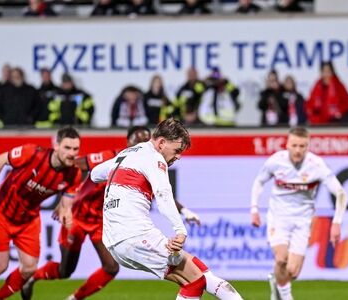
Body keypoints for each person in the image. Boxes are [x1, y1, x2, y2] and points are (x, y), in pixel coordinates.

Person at [21, 126, 202, 300]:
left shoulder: (147, 163)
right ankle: (33, 277)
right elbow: (76, 164)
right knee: (65, 271)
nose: (139, 142)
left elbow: (161, 193)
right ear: (127, 141)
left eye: (143, 139)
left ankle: (74, 298)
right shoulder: (112, 157)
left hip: (100, 220)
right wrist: (66, 197)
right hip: (76, 216)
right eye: (135, 140)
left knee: (111, 267)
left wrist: (184, 211)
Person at [90, 119, 244, 299]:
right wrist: (180, 230)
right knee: (195, 281)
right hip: (134, 235)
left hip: (114, 241)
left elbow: (94, 174)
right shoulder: (154, 158)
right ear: (161, 142)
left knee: (202, 274)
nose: (178, 156)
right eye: (177, 150)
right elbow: (163, 195)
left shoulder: (128, 154)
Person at [0, 128, 84, 299]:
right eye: (67, 148)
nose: (72, 154)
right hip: (2, 213)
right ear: (56, 146)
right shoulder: (32, 153)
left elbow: (66, 204)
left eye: (75, 149)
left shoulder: (74, 173)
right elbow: (0, 160)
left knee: (29, 268)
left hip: (28, 219)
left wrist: (66, 214)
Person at [250, 127, 348, 300]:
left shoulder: (316, 165)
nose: (298, 150)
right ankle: (283, 296)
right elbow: (259, 182)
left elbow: (340, 193)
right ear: (287, 145)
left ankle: (277, 283)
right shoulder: (276, 161)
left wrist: (337, 222)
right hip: (279, 218)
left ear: (308, 146)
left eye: (302, 146)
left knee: (292, 272)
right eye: (294, 145)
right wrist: (254, 209)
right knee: (281, 259)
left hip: (303, 220)